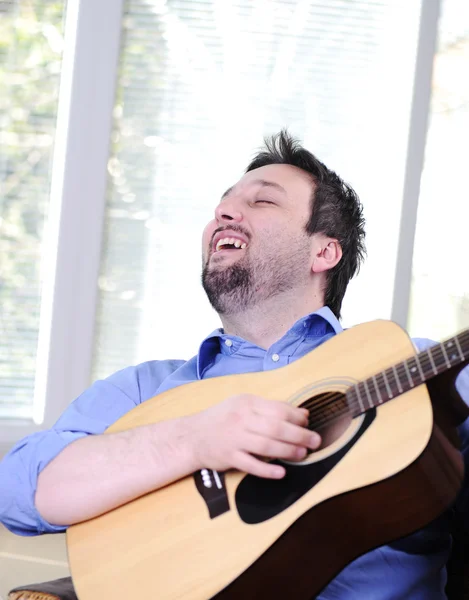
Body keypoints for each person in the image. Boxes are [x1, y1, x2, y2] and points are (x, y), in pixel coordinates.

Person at [1, 130, 469, 599]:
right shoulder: (145, 390)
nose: (223, 213)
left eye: (263, 202)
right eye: (222, 204)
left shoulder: (411, 364)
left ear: (323, 251)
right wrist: (194, 440)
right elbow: (19, 492)